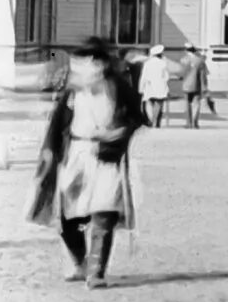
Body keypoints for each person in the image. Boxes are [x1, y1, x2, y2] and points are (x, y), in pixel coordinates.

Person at [28, 36, 145, 287]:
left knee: (104, 214)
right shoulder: (71, 92)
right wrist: (48, 154)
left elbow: (137, 117)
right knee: (68, 218)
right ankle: (80, 262)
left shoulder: (118, 87)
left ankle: (96, 272)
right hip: (76, 156)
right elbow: (56, 125)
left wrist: (120, 134)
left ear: (98, 63)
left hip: (105, 158)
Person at [140, 45, 172, 128]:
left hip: (149, 87)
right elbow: (167, 77)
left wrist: (141, 87)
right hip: (160, 87)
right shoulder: (163, 63)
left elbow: (143, 76)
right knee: (158, 105)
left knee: (149, 104)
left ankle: (151, 120)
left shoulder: (147, 63)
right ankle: (155, 122)